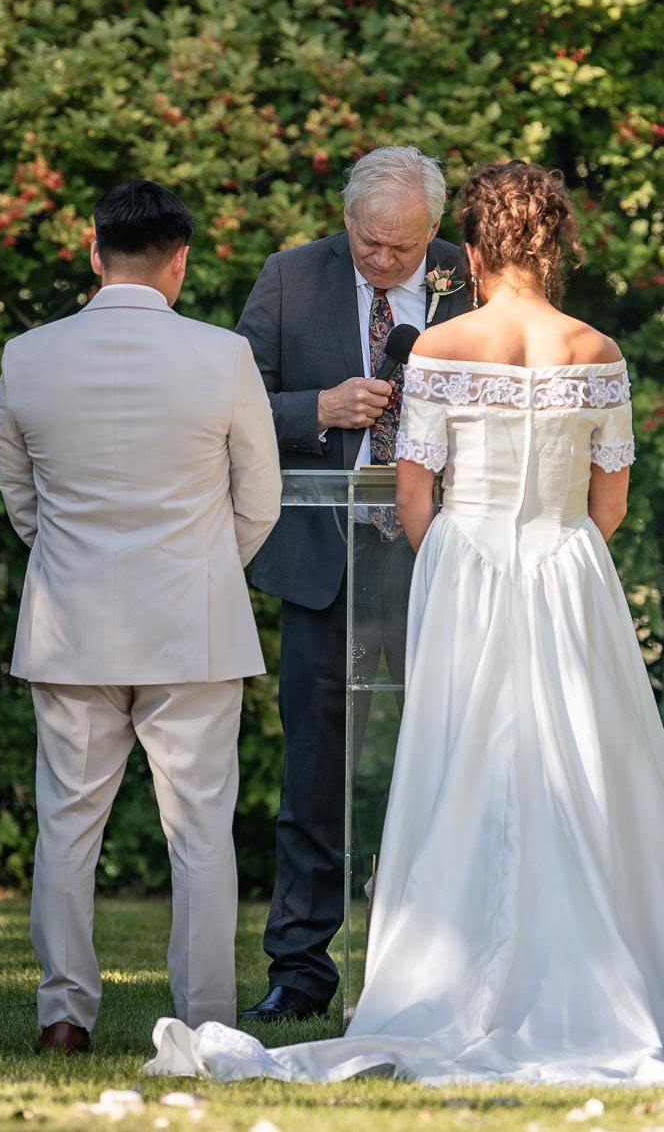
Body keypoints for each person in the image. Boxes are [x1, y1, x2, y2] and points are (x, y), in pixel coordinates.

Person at [147, 161, 664, 1086]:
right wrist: (551, 552)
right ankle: (580, 969)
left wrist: (460, 562)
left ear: (468, 247)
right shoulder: (599, 349)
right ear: (556, 243)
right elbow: (608, 503)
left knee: (459, 767)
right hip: (566, 574)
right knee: (577, 764)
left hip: (462, 568)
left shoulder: (442, 345)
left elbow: (415, 497)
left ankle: (449, 978)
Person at [0, 180, 280, 1054]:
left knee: (66, 827)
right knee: (200, 831)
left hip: (70, 624)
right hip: (193, 627)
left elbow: (23, 500)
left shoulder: (28, 356)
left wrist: (76, 560)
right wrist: (201, 569)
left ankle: (63, 1016)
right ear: (179, 261)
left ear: (95, 250)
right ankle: (206, 1019)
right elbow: (260, 499)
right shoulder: (222, 356)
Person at [234, 144, 473, 1023]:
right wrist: (318, 410)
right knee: (314, 779)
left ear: (434, 231)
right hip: (324, 563)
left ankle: (443, 966)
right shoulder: (290, 277)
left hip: (443, 560)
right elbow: (234, 400)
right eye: (367, 240)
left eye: (401, 248)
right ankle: (300, 972)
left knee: (450, 765)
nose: (380, 258)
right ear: (346, 220)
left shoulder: (472, 280)